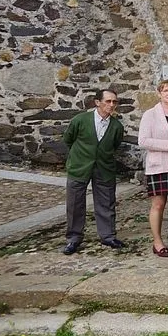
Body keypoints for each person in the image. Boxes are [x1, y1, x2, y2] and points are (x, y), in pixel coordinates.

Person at [62, 89, 125, 255]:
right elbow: (68, 139)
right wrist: (80, 156)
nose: (111, 105)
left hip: (104, 168)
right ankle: (73, 238)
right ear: (97, 102)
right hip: (79, 167)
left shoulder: (117, 126)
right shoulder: (80, 120)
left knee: (106, 202)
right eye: (108, 101)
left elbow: (115, 145)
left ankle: (108, 236)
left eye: (114, 102)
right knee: (75, 203)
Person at [138, 79, 168, 258]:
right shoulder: (150, 114)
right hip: (159, 164)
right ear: (159, 93)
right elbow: (143, 141)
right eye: (165, 90)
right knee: (158, 204)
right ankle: (157, 242)